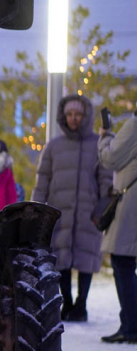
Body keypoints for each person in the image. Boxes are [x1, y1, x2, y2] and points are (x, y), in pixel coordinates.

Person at [32, 95, 112, 322]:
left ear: (85, 116)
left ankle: (81, 305)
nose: (73, 118)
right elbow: (43, 181)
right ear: (63, 116)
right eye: (69, 114)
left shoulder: (97, 145)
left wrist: (103, 206)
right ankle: (66, 302)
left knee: (87, 258)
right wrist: (36, 210)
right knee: (62, 259)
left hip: (89, 212)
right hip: (60, 211)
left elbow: (105, 179)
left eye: (78, 114)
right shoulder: (53, 147)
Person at [98, 110, 137, 343]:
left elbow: (110, 158)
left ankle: (131, 327)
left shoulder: (134, 125)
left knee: (122, 262)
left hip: (131, 203)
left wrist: (105, 136)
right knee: (125, 263)